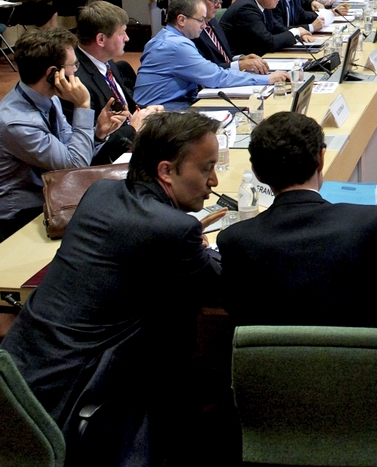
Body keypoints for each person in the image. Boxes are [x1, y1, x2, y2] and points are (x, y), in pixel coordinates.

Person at [0, 112, 224, 461]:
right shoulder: (173, 229)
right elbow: (222, 285)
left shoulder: (100, 192)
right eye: (206, 168)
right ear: (166, 171)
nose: (214, 181)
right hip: (67, 397)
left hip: (19, 368)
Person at [218, 112, 377, 327]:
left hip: (273, 358)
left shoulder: (235, 241)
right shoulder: (365, 223)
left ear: (257, 173)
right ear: (321, 159)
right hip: (358, 357)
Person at [0, 28, 126, 240]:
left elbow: (69, 149)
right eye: (73, 65)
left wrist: (97, 134)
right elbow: (75, 166)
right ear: (53, 74)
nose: (76, 70)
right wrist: (83, 105)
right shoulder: (16, 122)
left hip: (54, 195)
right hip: (23, 216)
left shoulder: (48, 97)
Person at [136, 0, 287, 107]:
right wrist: (267, 79)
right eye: (200, 20)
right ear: (181, 20)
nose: (204, 25)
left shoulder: (163, 37)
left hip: (166, 107)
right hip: (163, 113)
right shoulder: (177, 46)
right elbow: (217, 77)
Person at [62, 1, 164, 164]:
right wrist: (133, 129)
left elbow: (127, 109)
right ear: (101, 39)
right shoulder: (76, 82)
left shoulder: (107, 62)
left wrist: (146, 112)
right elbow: (94, 147)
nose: (127, 38)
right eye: (122, 33)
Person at [221, 0, 316, 57]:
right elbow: (268, 43)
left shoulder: (263, 5)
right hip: (239, 62)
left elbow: (278, 28)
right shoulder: (246, 9)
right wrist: (296, 32)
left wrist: (299, 34)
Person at [184, 0, 270, 74]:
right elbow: (203, 69)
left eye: (219, 1)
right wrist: (238, 65)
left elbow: (222, 56)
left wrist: (240, 59)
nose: (219, 6)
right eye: (214, 0)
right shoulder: (190, 30)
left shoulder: (211, 20)